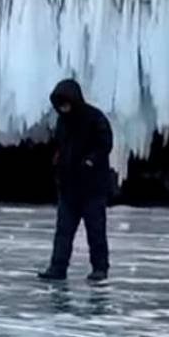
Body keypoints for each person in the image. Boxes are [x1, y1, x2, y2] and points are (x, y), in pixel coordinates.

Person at [40, 79, 112, 282]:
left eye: (66, 103)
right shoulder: (63, 122)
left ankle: (100, 268)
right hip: (69, 188)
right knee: (63, 232)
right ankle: (57, 268)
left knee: (96, 232)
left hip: (92, 188)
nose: (63, 108)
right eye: (60, 104)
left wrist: (91, 160)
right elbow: (60, 145)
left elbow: (105, 143)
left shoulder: (94, 118)